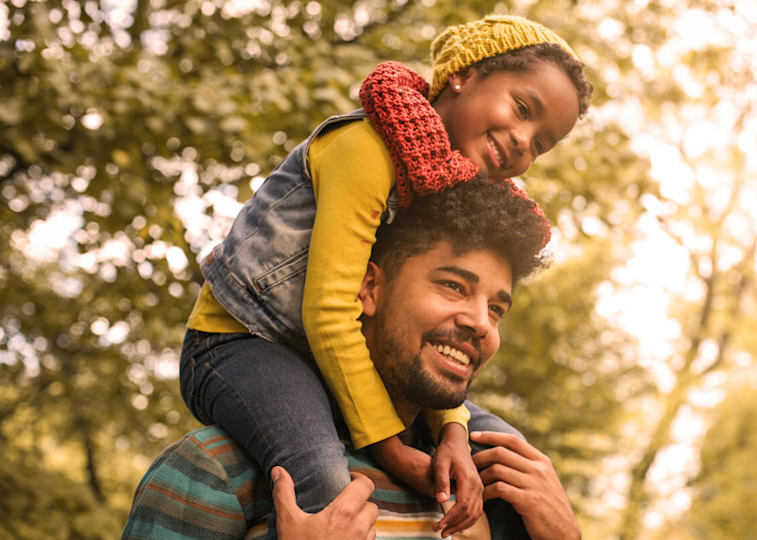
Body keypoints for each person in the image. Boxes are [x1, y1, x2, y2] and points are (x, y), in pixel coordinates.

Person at [179, 13, 593, 539]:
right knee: (325, 480)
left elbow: (417, 336)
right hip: (244, 344)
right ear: (465, 74)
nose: (523, 142)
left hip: (342, 355)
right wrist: (392, 447)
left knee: (509, 462)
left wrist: (451, 428)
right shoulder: (365, 147)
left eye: (541, 143)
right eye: (522, 109)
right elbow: (330, 309)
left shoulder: (443, 182)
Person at [125, 177, 580, 540]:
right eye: (453, 286)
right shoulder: (216, 471)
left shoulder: (498, 489)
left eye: (497, 308)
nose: (481, 322)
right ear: (369, 288)